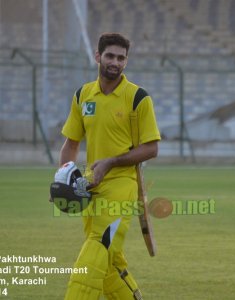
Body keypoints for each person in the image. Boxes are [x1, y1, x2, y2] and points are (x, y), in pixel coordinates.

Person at [59, 32, 161, 300]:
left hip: (122, 186)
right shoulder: (83, 95)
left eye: (121, 57)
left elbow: (152, 148)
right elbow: (71, 143)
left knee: (95, 250)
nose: (115, 62)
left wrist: (112, 162)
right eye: (110, 56)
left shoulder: (138, 97)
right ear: (98, 57)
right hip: (90, 187)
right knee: (109, 264)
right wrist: (62, 179)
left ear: (126, 62)